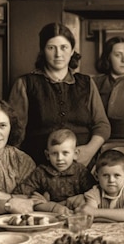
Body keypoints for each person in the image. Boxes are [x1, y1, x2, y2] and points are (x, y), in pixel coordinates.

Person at [9, 22, 111, 166]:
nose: (58, 54)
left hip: (82, 165)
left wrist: (89, 150)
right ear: (43, 51)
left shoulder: (86, 83)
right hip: (38, 165)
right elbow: (15, 133)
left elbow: (102, 125)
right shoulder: (25, 84)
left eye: (64, 47)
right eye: (51, 48)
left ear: (71, 51)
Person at [14, 129, 96, 215]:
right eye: (54, 153)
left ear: (75, 154)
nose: (59, 158)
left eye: (65, 153)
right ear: (47, 155)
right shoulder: (41, 172)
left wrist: (83, 197)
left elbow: (95, 193)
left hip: (76, 214)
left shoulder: (80, 171)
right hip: (51, 214)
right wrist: (37, 199)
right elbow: (22, 191)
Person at [75, 149, 124, 222]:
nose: (111, 180)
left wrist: (96, 212)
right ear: (97, 176)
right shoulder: (94, 193)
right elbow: (90, 215)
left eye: (116, 175)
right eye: (106, 175)